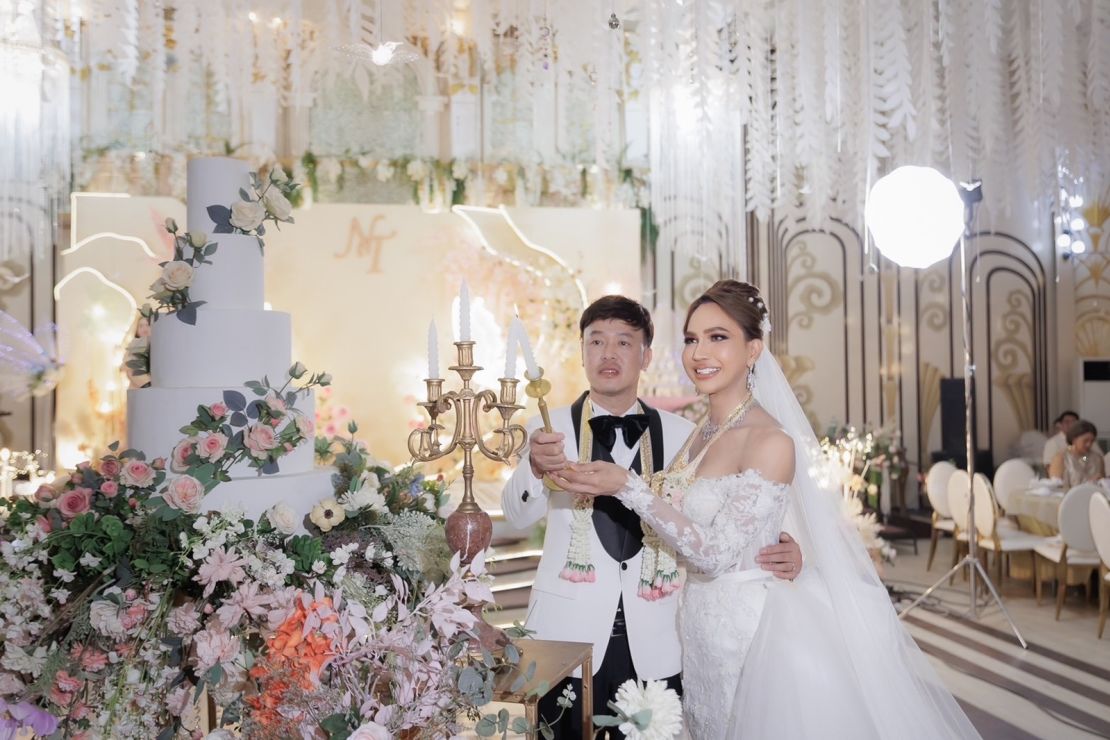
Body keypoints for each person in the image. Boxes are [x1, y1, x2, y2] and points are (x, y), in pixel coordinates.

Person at [552, 281, 979, 739]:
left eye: (719, 337)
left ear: (753, 349)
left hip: (748, 633)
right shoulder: (699, 433)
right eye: (692, 339)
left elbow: (714, 554)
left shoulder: (770, 439)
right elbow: (697, 522)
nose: (699, 352)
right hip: (695, 631)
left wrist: (627, 485)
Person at [501, 295, 803, 738]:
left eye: (624, 342)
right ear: (581, 352)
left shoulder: (689, 435)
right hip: (568, 634)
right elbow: (516, 516)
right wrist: (534, 466)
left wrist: (788, 549)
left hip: (660, 636)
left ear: (645, 356)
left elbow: (746, 509)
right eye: (596, 341)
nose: (608, 354)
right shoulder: (549, 428)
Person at [1048, 419, 1106, 487]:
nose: (1089, 444)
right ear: (1074, 439)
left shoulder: (1096, 458)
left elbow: (1083, 461)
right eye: (1085, 441)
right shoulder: (1061, 458)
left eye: (1092, 441)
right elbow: (1056, 485)